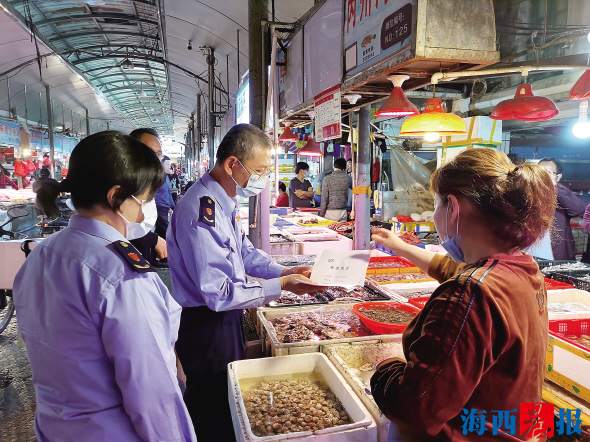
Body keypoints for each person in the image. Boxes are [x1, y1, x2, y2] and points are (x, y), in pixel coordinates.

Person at [12, 131, 197, 442]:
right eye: (141, 202)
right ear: (116, 196)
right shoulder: (121, 276)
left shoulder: (42, 255)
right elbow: (151, 395)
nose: (142, 214)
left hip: (55, 429)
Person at [370, 148, 555, 441]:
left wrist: (384, 365)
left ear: (453, 207)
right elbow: (453, 270)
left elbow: (415, 408)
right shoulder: (522, 268)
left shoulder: (469, 294)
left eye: (437, 203)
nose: (435, 214)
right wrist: (400, 247)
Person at [167, 123, 324, 441]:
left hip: (224, 319)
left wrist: (281, 271)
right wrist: (281, 286)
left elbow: (245, 252)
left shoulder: (220, 201)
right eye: (260, 171)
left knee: (228, 400)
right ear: (232, 164)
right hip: (207, 326)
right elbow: (218, 292)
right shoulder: (202, 211)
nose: (263, 179)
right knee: (213, 407)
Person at [129, 128, 169, 263]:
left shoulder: (149, 182)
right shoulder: (123, 183)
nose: (155, 159)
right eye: (149, 152)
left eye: (158, 154)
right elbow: (115, 225)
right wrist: (152, 239)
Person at [539, 158, 586, 260]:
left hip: (558, 254)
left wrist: (554, 186)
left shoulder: (561, 193)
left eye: (548, 172)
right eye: (540, 172)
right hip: (534, 253)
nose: (543, 176)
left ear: (558, 176)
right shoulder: (529, 192)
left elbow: (580, 210)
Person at [156, 155, 176, 237]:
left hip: (165, 208)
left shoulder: (166, 178)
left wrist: (172, 206)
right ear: (161, 165)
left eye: (170, 164)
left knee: (163, 231)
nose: (169, 167)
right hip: (160, 208)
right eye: (167, 164)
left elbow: (168, 193)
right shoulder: (157, 178)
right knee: (166, 232)